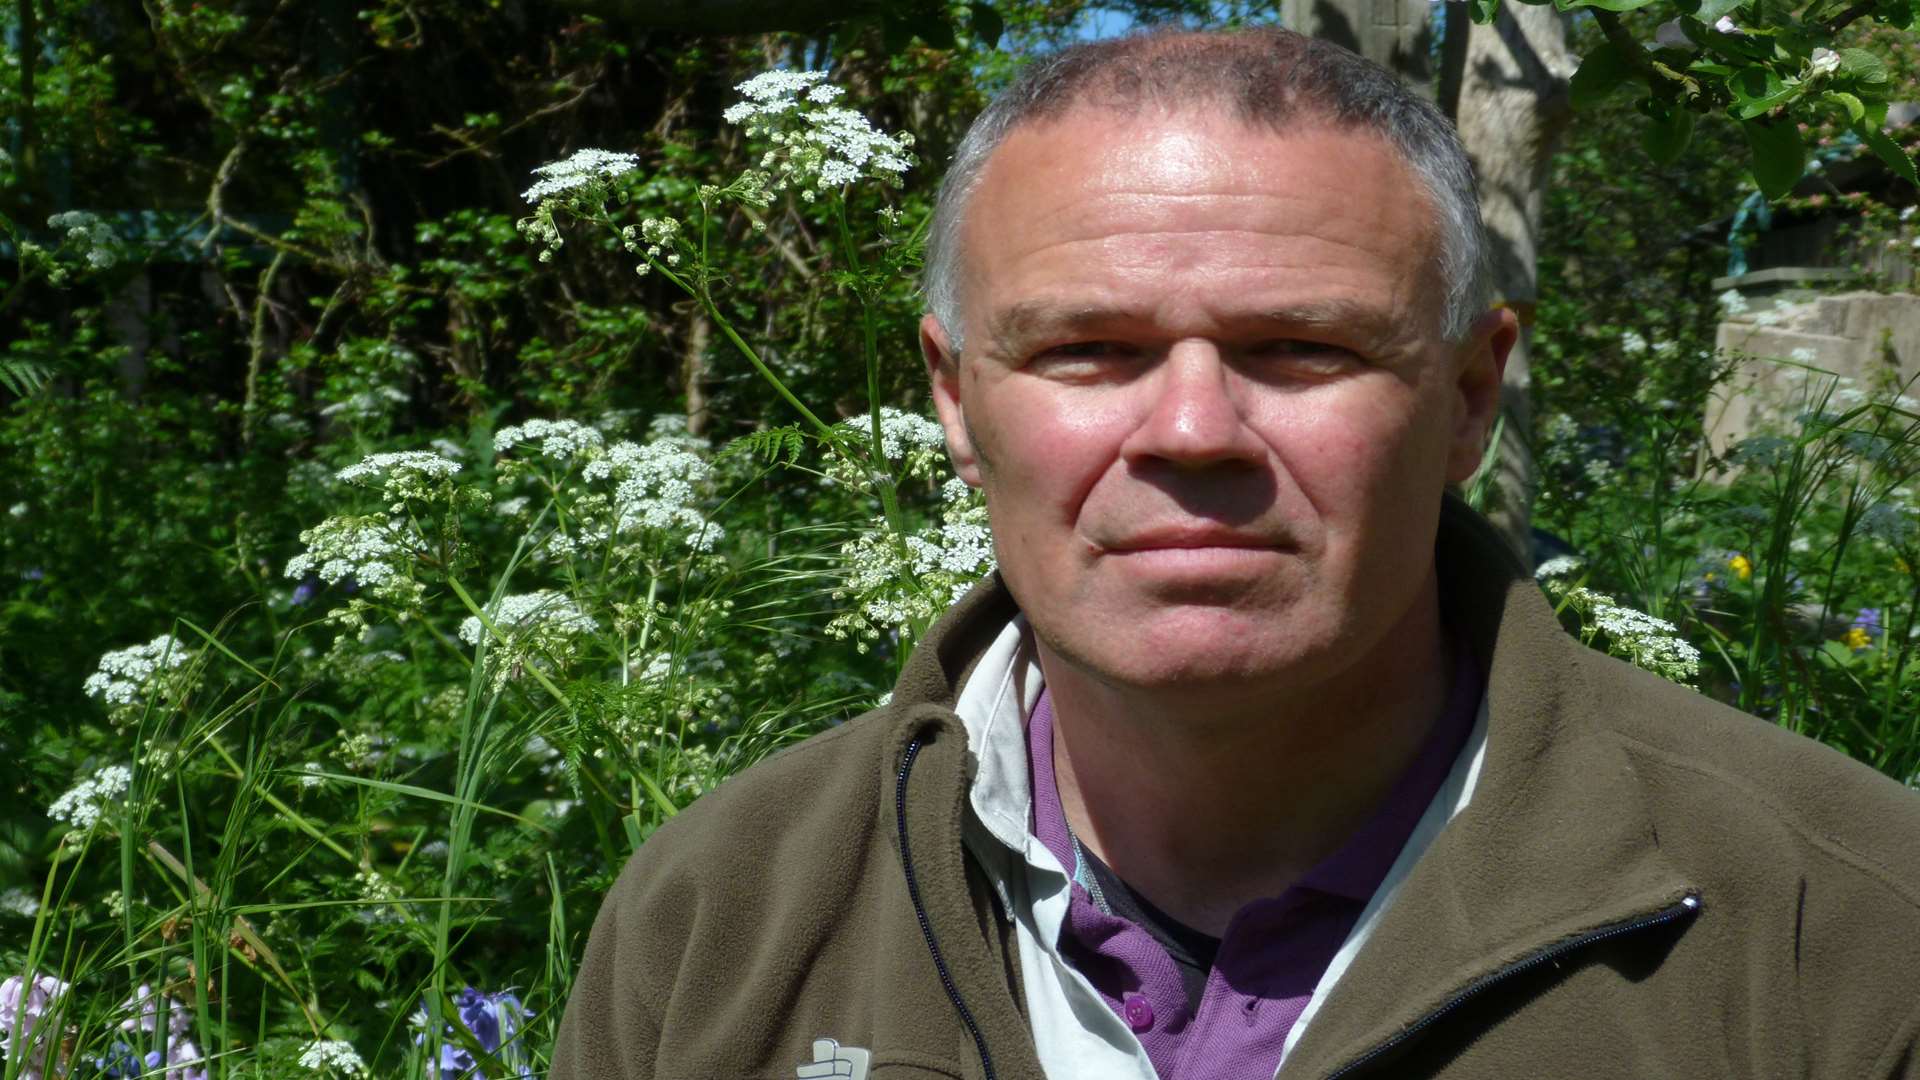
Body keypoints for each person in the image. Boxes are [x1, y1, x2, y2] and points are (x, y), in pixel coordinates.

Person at [551, 27, 1920, 1080]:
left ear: (1467, 399)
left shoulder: (1843, 933)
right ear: (959, 402)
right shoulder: (717, 924)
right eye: (1092, 350)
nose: (1194, 430)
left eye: (1300, 349)